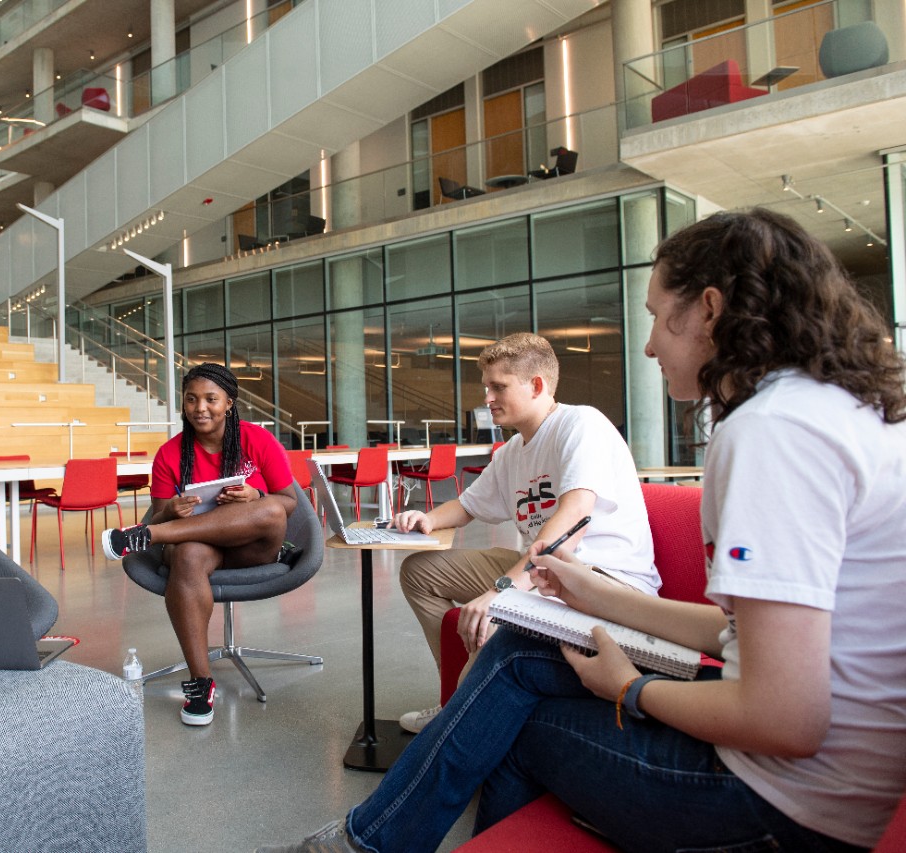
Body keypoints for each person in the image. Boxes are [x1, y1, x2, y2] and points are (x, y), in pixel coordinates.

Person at [258, 209, 906, 853]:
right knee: (515, 661)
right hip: (826, 784)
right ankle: (367, 840)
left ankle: (365, 843)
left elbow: (785, 718)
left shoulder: (770, 431)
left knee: (512, 711)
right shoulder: (830, 411)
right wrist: (595, 598)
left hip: (782, 808)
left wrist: (630, 687)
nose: (649, 344)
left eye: (656, 315)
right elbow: (737, 634)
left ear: (710, 310)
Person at [392, 332, 659, 734]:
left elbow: (573, 517)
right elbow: (467, 506)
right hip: (547, 573)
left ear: (537, 386)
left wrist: (504, 589)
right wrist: (427, 519)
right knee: (421, 571)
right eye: (487, 387)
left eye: (498, 387)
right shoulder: (514, 450)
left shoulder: (580, 424)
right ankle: (453, 696)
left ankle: (459, 726)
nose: (487, 398)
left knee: (495, 619)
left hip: (603, 578)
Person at [101, 363, 296, 726]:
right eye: (191, 399)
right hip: (200, 552)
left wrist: (255, 495)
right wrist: (170, 511)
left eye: (210, 399)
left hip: (251, 547)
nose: (200, 408)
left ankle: (143, 538)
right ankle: (200, 681)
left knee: (269, 508)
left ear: (229, 404)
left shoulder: (257, 439)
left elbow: (288, 503)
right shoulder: (170, 454)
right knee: (188, 553)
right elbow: (158, 513)